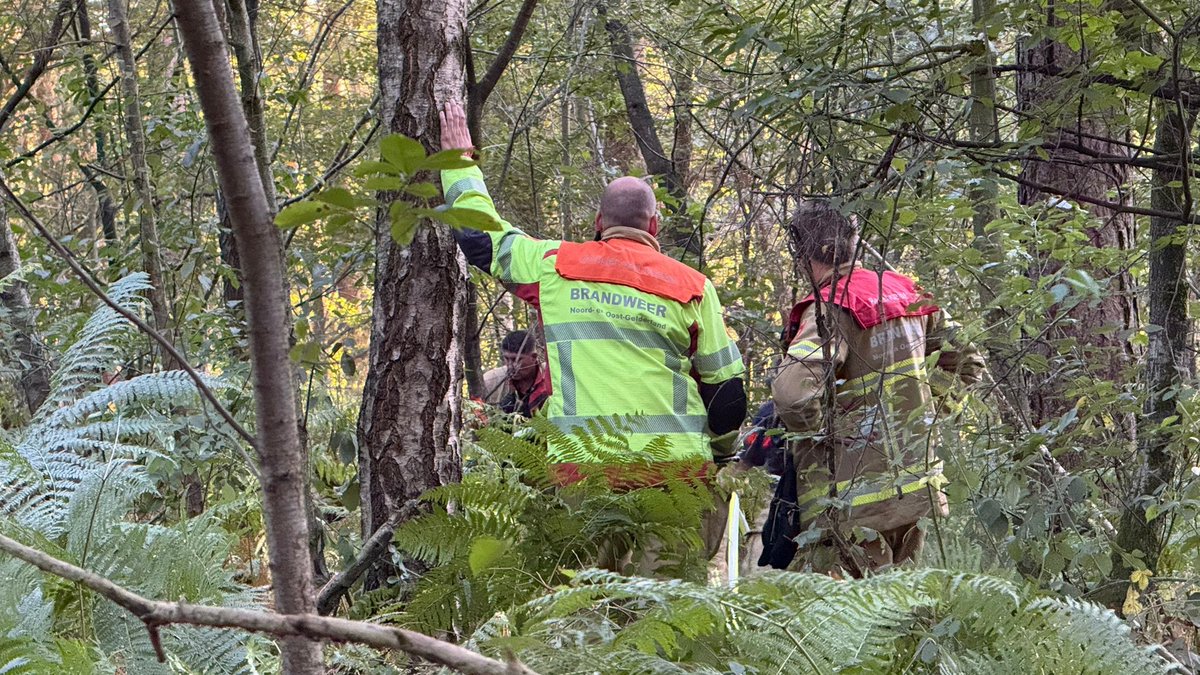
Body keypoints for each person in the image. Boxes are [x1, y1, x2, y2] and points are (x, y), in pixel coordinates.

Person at [438, 102, 747, 569]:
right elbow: (727, 396)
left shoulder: (556, 265)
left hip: (586, 476)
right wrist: (719, 457)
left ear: (599, 224)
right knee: (667, 624)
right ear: (655, 226)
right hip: (677, 477)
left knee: (589, 621)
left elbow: (482, 240)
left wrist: (458, 164)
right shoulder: (692, 285)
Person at [765, 201, 984, 576]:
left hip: (849, 501)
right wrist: (929, 412)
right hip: (913, 487)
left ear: (802, 252)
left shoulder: (830, 309)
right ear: (853, 243)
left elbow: (793, 396)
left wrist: (820, 433)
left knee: (845, 621)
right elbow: (969, 363)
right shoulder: (908, 292)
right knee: (901, 610)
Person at [486, 330, 549, 417]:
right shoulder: (491, 380)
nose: (511, 366)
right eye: (507, 359)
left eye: (516, 359)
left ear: (533, 357)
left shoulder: (551, 376)